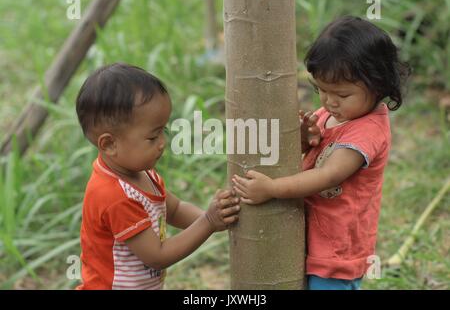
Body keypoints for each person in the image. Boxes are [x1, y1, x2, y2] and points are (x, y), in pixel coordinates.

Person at [232, 16, 410, 290]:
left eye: (341, 94)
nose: (329, 101)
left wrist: (272, 188)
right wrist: (304, 139)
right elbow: (313, 154)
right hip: (312, 239)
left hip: (337, 251)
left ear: (378, 84)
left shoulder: (368, 130)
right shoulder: (329, 113)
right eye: (321, 90)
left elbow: (328, 175)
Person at [75, 63, 240, 290]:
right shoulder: (114, 195)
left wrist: (215, 218)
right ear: (110, 144)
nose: (162, 143)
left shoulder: (141, 173)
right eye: (152, 137)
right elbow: (157, 255)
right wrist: (208, 222)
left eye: (164, 130)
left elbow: (174, 209)